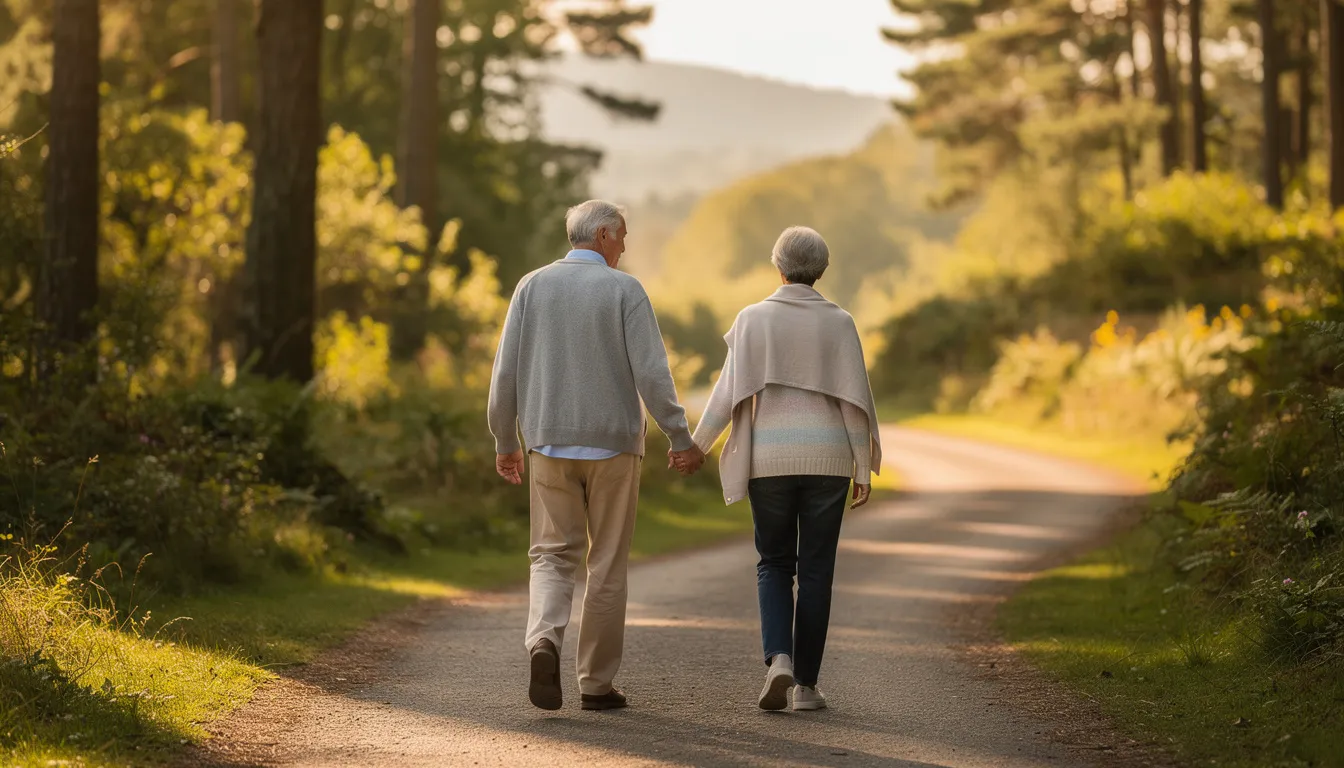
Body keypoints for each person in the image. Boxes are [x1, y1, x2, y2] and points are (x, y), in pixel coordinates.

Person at [488, 199, 706, 712]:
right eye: (623, 236)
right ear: (604, 234)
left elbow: (505, 373)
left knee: (550, 555)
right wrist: (679, 436)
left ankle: (544, 640)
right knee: (606, 562)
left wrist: (505, 440)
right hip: (614, 448)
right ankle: (595, 684)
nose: (625, 247)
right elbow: (652, 374)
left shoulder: (531, 286)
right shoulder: (625, 290)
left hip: (547, 443)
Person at [683, 226, 881, 712]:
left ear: (777, 266)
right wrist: (863, 466)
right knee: (816, 571)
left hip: (768, 462)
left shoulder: (752, 319)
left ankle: (779, 659)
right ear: (823, 269)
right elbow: (853, 401)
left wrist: (696, 446)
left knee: (773, 563)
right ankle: (806, 689)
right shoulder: (840, 322)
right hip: (829, 462)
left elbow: (726, 393)